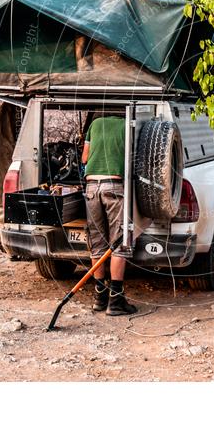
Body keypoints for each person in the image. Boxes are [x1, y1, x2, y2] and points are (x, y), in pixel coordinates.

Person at [81, 113, 137, 316]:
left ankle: (99, 297)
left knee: (97, 243)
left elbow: (85, 158)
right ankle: (116, 301)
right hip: (114, 186)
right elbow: (133, 159)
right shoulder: (127, 125)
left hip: (91, 187)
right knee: (119, 242)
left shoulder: (94, 124)